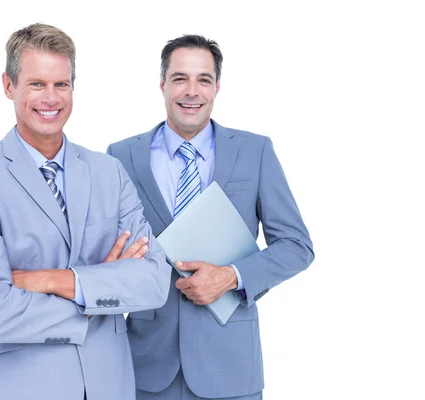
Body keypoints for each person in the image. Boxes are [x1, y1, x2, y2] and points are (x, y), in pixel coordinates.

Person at [0, 23, 171, 400]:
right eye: (37, 84)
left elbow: (154, 281)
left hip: (108, 386)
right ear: (8, 86)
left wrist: (53, 280)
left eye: (61, 85)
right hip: (18, 388)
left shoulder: (108, 172)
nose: (50, 98)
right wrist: (99, 290)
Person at [107, 34, 315, 400]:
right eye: (180, 78)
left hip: (230, 366)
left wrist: (231, 277)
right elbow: (105, 248)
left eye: (203, 79)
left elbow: (297, 246)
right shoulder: (121, 156)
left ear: (217, 87)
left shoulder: (255, 151)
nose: (192, 91)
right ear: (162, 85)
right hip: (147, 369)